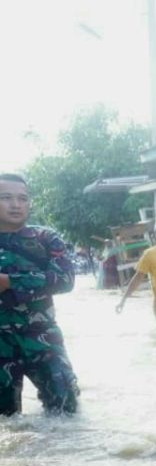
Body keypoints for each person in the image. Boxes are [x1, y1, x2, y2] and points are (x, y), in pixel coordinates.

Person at [0, 173, 80, 415]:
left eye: (22, 198)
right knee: (6, 423)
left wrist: (9, 281)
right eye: (6, 197)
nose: (16, 204)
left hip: (43, 339)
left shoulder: (45, 238)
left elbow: (65, 280)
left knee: (67, 413)